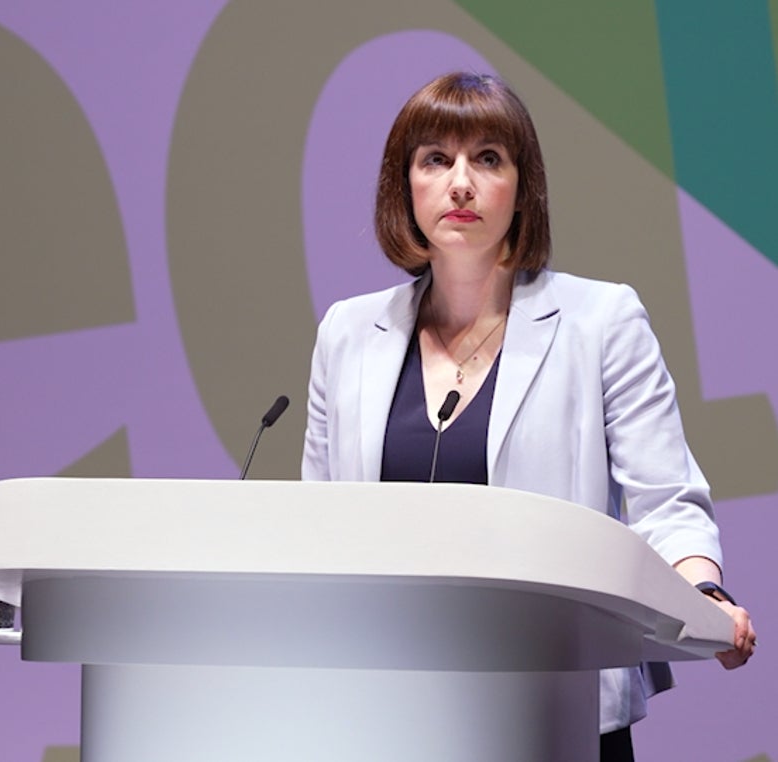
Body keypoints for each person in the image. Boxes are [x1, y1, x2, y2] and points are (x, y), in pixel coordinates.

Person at [300, 71, 756, 761]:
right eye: (435, 159)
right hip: (388, 711)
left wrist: (704, 590)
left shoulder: (601, 321)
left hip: (555, 706)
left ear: (523, 188)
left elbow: (665, 501)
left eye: (488, 158)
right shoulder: (347, 333)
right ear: (406, 187)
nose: (461, 183)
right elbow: (317, 526)